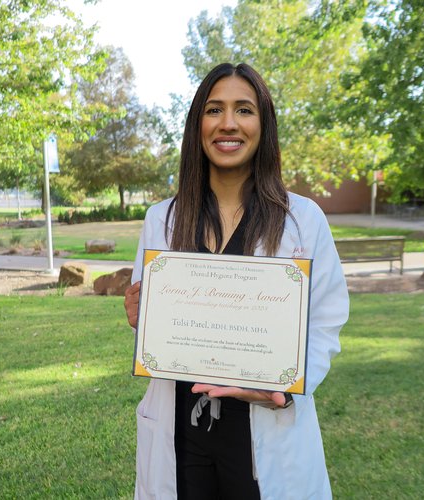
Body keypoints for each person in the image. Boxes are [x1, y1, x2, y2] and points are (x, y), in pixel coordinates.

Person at [124, 62, 349, 500]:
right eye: (214, 110)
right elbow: (156, 333)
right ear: (198, 125)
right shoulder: (161, 219)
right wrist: (140, 319)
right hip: (180, 436)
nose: (228, 123)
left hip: (264, 429)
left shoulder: (302, 221)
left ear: (263, 124)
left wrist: (282, 391)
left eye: (244, 110)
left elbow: (325, 322)